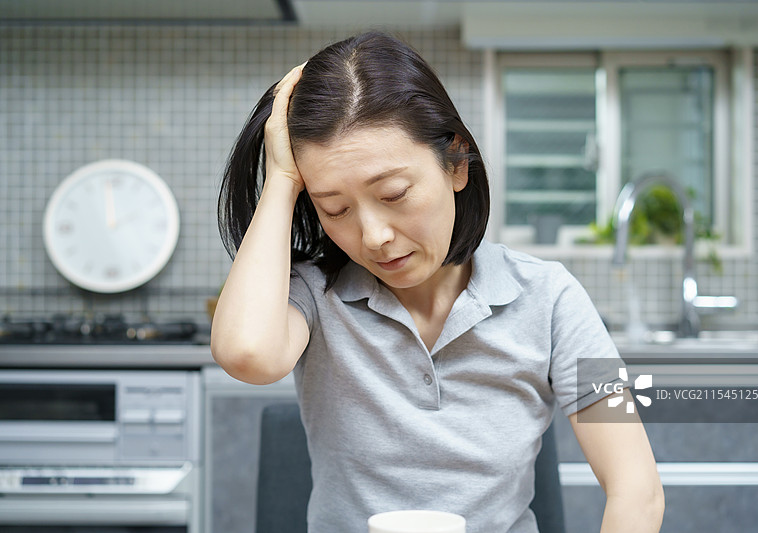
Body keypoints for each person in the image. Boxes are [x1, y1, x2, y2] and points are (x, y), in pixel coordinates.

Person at [212, 31, 664, 533]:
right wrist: (280, 180)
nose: (374, 237)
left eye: (394, 193)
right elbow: (247, 354)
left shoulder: (553, 298)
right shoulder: (314, 294)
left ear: (456, 163)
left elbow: (636, 489)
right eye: (335, 209)